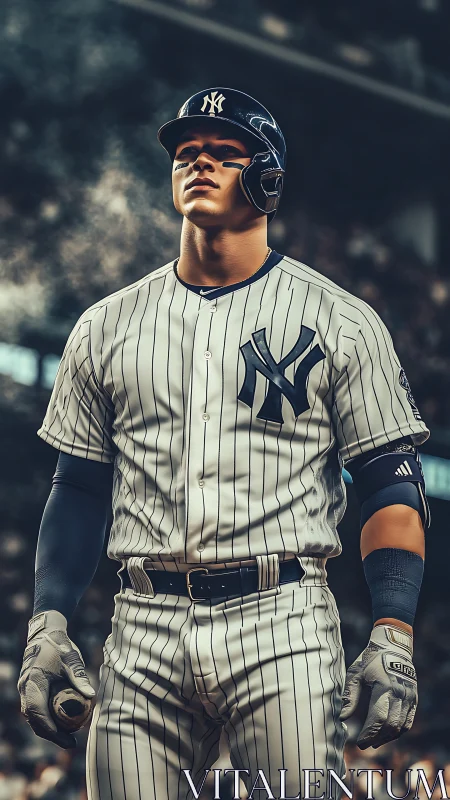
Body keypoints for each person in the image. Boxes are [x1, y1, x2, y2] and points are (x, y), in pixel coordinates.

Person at [18, 87, 430, 800]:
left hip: (283, 620)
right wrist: (49, 617)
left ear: (268, 178)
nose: (197, 163)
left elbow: (390, 483)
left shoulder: (341, 321)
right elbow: (79, 487)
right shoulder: (106, 325)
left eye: (222, 152)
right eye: (186, 153)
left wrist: (393, 629)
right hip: (142, 620)